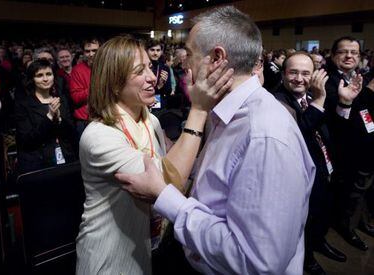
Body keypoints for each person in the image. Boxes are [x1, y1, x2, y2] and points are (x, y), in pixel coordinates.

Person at [115, 6, 315, 274]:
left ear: (216, 58)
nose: (185, 64)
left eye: (190, 55)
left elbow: (256, 263)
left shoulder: (264, 136)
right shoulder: (225, 113)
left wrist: (165, 198)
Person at [75, 35, 233, 275]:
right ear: (115, 83)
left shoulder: (151, 120)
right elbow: (168, 182)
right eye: (140, 71)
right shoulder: (99, 136)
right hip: (111, 256)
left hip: (149, 247)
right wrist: (199, 109)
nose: (152, 77)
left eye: (149, 66)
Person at [274, 52, 357, 275]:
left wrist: (345, 103)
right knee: (306, 223)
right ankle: (307, 258)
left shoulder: (313, 95)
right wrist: (319, 102)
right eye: (293, 72)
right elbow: (296, 136)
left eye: (305, 73)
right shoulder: (277, 102)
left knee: (322, 214)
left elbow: (333, 131)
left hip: (325, 169)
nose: (299, 78)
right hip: (299, 179)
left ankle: (319, 242)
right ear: (283, 75)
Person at [324, 36, 374, 251]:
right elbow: (334, 120)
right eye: (343, 52)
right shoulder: (327, 80)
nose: (349, 56)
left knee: (362, 189)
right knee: (348, 191)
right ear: (334, 55)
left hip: (364, 143)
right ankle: (345, 225)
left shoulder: (356, 75)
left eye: (354, 53)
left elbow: (363, 109)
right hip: (343, 148)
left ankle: (359, 220)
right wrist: (347, 101)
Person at [15, 59, 77, 174]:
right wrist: (49, 117)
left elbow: (72, 134)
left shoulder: (61, 100)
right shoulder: (24, 104)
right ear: (32, 79)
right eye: (39, 75)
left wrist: (59, 119)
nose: (45, 79)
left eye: (49, 74)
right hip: (39, 163)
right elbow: (27, 140)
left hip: (66, 159)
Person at [69, 38, 100, 136]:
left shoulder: (107, 68)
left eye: (95, 51)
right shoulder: (77, 70)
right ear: (83, 52)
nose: (91, 54)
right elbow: (76, 98)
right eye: (87, 51)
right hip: (84, 120)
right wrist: (96, 87)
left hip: (104, 118)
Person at [146, 40, 172, 109]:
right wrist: (159, 86)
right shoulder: (143, 67)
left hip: (158, 102)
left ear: (161, 52)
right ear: (146, 51)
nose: (155, 53)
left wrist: (163, 83)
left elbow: (168, 91)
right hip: (143, 102)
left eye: (158, 50)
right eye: (152, 50)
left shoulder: (164, 68)